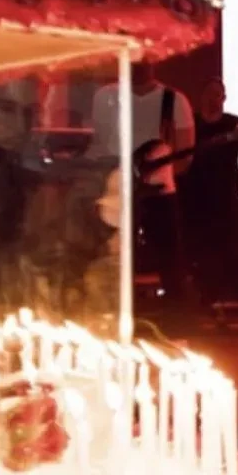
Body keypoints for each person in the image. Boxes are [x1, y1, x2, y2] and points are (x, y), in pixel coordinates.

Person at [91, 62, 194, 301]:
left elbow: (185, 155)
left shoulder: (174, 100)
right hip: (116, 190)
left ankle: (175, 308)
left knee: (169, 258)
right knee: (112, 254)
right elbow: (99, 145)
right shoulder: (105, 96)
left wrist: (155, 175)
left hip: (159, 192)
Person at [183, 78, 238, 305]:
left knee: (230, 244)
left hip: (226, 196)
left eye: (217, 94)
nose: (212, 98)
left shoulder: (235, 124)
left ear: (224, 98)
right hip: (195, 195)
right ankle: (201, 295)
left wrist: (236, 179)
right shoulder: (192, 123)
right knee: (198, 245)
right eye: (208, 93)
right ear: (201, 97)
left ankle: (235, 295)